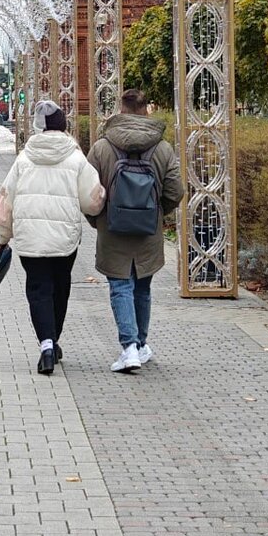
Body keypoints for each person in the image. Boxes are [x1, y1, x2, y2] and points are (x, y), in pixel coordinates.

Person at [0, 100, 105, 375]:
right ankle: (54, 340)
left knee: (38, 289)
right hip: (65, 238)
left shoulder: (23, 159)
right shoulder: (76, 158)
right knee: (60, 288)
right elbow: (92, 201)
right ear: (63, 125)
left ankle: (46, 345)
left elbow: (6, 200)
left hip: (30, 238)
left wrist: (4, 235)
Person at [86, 89, 184, 373]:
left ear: (121, 109)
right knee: (142, 287)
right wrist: (156, 213)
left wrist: (98, 220)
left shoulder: (102, 147)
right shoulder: (162, 148)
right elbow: (175, 191)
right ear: (146, 110)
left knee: (120, 286)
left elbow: (89, 193)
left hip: (112, 229)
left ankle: (129, 347)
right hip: (148, 231)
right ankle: (140, 345)